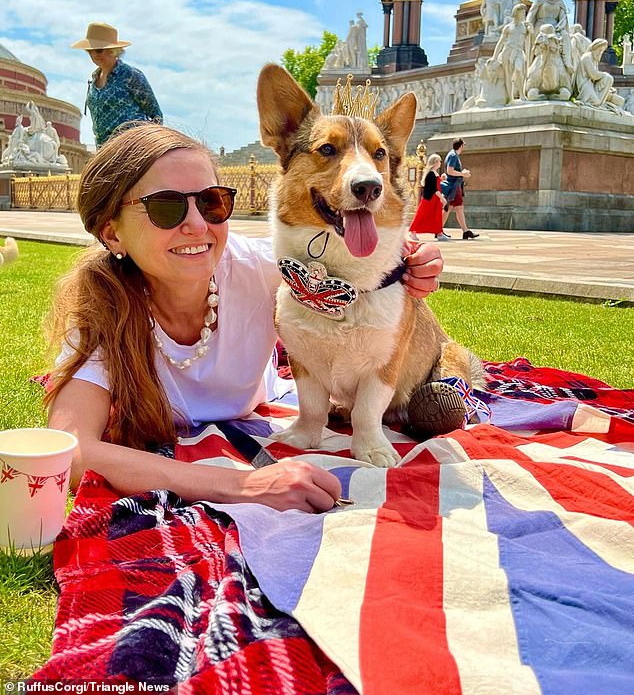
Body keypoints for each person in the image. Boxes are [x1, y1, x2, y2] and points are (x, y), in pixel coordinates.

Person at [45, 124, 445, 514]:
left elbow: (361, 268)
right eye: (165, 207)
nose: (198, 225)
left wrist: (413, 259)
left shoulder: (258, 268)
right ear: (113, 234)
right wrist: (242, 484)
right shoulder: (103, 310)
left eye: (212, 202)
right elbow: (67, 448)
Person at [71, 22, 163, 147]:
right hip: (105, 151)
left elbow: (156, 116)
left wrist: (144, 146)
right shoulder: (93, 80)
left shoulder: (130, 75)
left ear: (113, 50)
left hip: (132, 149)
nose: (94, 55)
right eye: (90, 51)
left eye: (98, 50)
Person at [441, 138, 479, 240]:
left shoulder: (452, 155)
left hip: (455, 185)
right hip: (454, 185)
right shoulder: (453, 156)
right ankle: (464, 231)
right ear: (461, 146)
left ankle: (464, 231)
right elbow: (450, 171)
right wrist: (463, 174)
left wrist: (461, 173)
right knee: (454, 208)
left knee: (453, 208)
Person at [409, 154, 449, 242]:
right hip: (430, 198)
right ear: (435, 163)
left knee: (436, 216)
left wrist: (441, 179)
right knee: (421, 215)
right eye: (439, 161)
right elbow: (433, 188)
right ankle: (413, 232)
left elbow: (435, 184)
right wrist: (442, 198)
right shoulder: (431, 174)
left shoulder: (434, 173)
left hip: (434, 199)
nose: (440, 163)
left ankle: (439, 233)